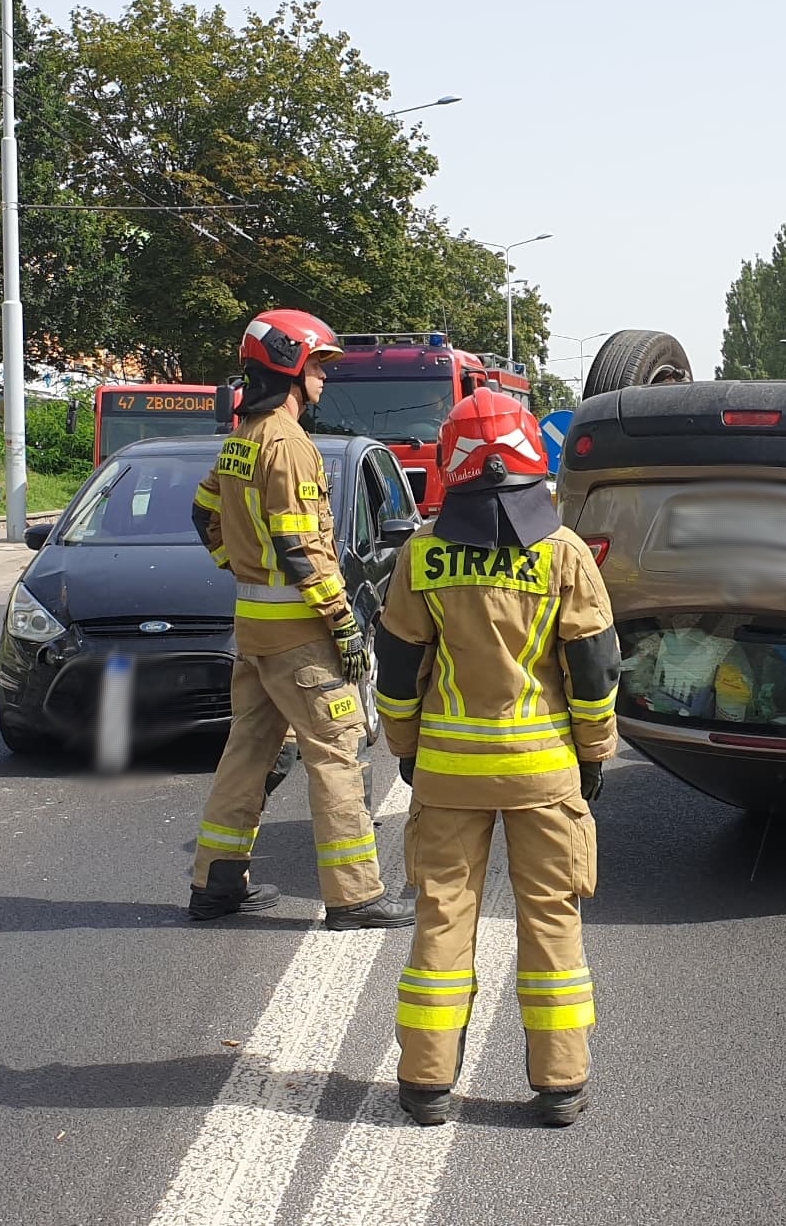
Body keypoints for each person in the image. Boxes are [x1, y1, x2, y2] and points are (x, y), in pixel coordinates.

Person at [374, 388, 619, 1128]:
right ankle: (560, 1087)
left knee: (442, 919)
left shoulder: (421, 553)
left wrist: (406, 749)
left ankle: (425, 1084)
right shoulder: (563, 552)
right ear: (530, 463)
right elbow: (594, 668)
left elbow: (395, 669)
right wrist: (595, 754)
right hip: (545, 775)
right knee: (551, 923)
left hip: (449, 775)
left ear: (451, 466)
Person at [186, 308, 411, 931]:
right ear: (290, 365)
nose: (324, 378)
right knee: (337, 755)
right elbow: (300, 545)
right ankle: (354, 896)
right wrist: (342, 621)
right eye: (319, 364)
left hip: (255, 635)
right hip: (302, 641)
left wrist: (240, 565)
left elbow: (202, 513)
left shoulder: (243, 438)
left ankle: (216, 884)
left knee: (247, 755)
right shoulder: (288, 445)